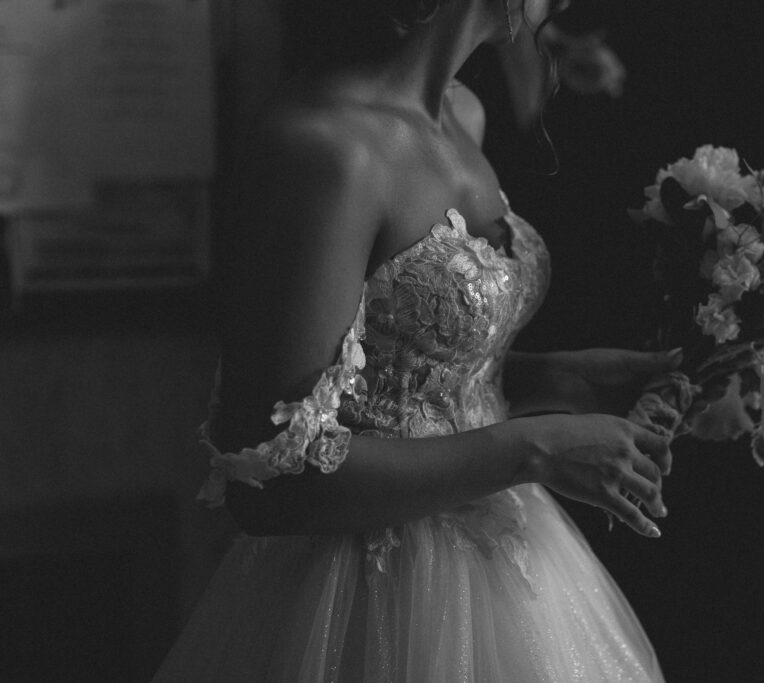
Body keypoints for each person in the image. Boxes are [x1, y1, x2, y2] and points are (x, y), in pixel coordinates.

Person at [151, 1, 681, 680]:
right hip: (364, 605)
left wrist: (557, 378)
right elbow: (270, 484)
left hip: (514, 570)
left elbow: (398, 364)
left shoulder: (464, 114)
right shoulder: (325, 145)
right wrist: (532, 446)